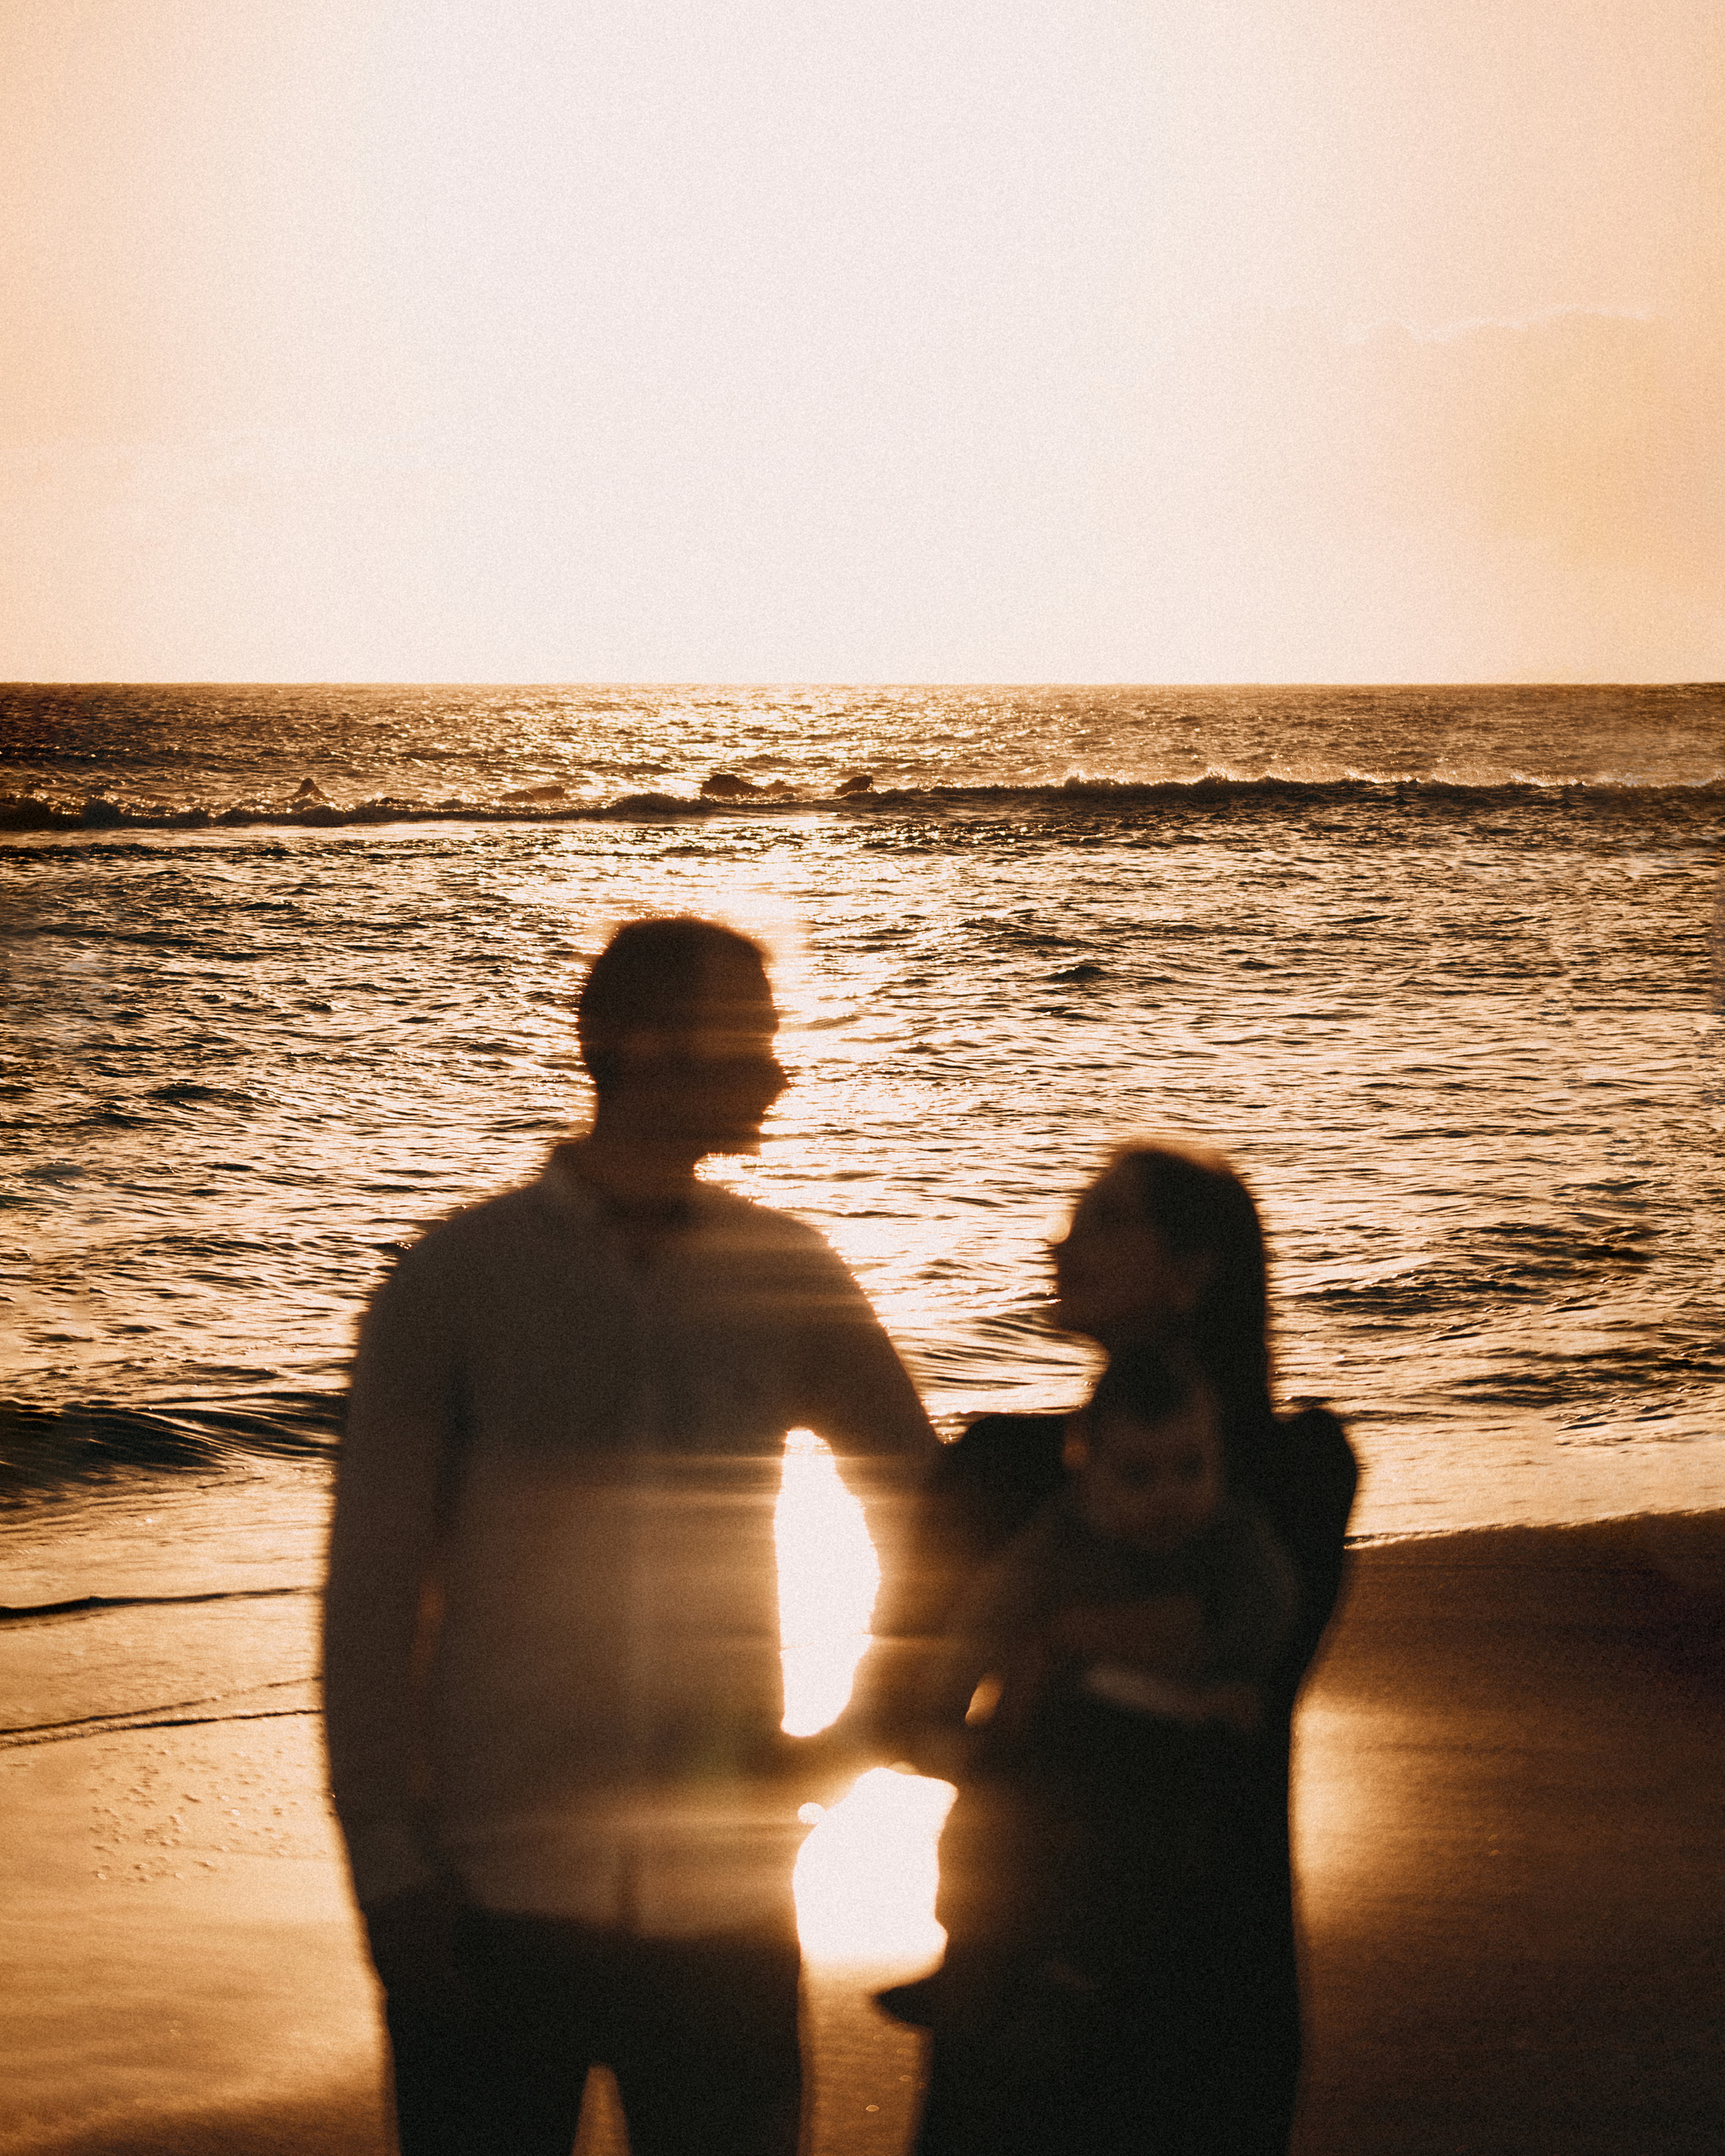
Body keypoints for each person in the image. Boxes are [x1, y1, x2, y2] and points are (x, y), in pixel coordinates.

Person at [323, 917, 937, 2156]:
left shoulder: (789, 1271)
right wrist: (388, 1867)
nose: (778, 1071)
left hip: (727, 1905)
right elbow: (373, 1595)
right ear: (639, 1047)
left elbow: (926, 1509)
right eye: (749, 1040)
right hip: (491, 1897)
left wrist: (861, 1730)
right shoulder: (455, 1282)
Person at [872, 1139, 1357, 2156]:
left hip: (1203, 1981)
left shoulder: (1297, 1471)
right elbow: (903, 1696)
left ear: (1191, 1271)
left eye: (1102, 1221)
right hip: (1018, 1972)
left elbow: (1227, 1640)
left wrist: (1045, 1641)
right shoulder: (1003, 1465)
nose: (1061, 1245)